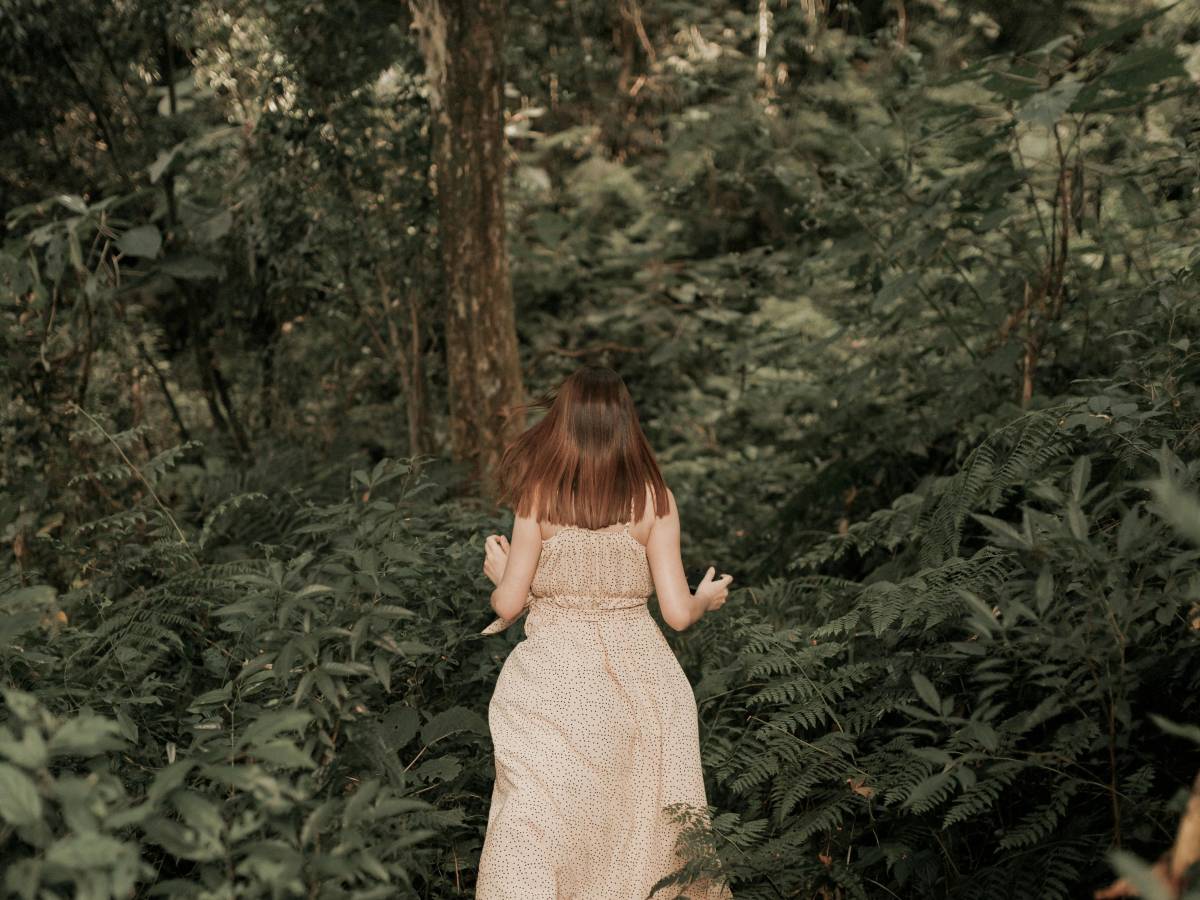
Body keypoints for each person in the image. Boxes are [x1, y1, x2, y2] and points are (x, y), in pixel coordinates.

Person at [475, 364, 735, 899]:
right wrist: (705, 597)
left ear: (564, 422)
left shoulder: (539, 495)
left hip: (553, 680)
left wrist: (501, 574)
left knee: (540, 815)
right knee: (636, 827)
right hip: (641, 684)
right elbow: (678, 614)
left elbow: (508, 603)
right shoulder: (654, 499)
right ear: (625, 424)